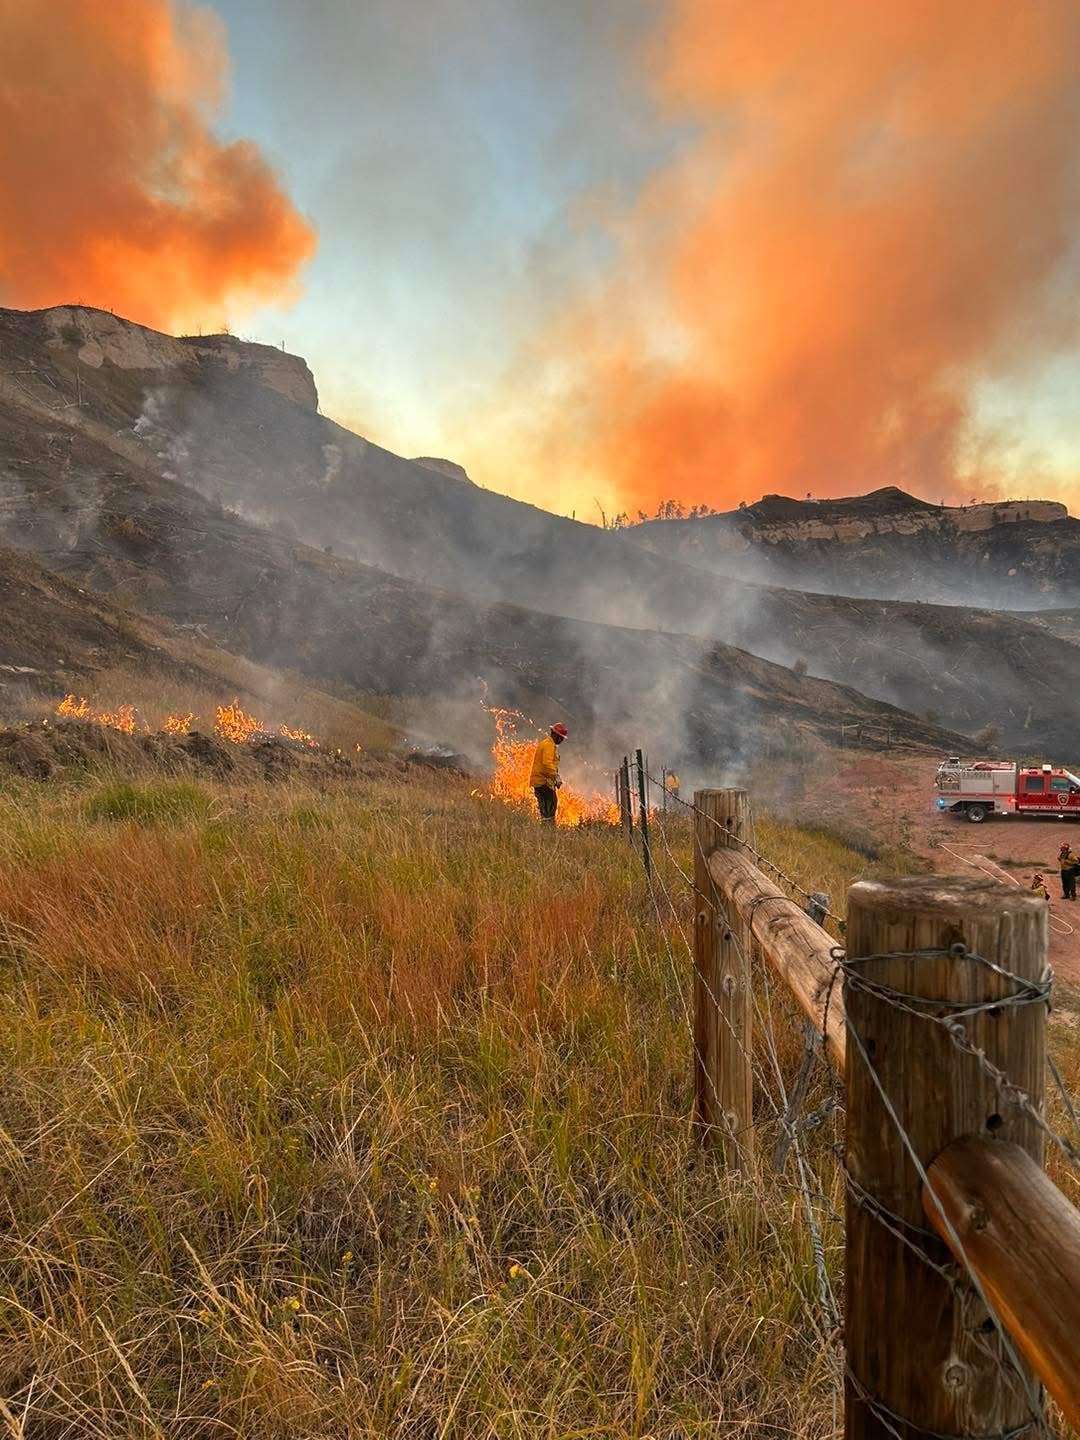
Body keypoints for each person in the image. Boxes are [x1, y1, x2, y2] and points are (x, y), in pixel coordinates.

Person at [530, 723, 568, 823]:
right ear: (556, 735)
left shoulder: (547, 743)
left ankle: (546, 826)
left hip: (542, 781)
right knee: (550, 805)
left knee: (546, 807)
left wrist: (553, 779)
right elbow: (547, 764)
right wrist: (556, 777)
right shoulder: (548, 745)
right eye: (561, 738)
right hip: (542, 782)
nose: (562, 740)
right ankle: (548, 826)